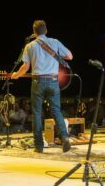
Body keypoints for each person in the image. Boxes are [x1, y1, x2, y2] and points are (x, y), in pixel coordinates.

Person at [11, 20, 73, 153]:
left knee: (37, 113)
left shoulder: (30, 46)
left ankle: (39, 146)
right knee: (56, 111)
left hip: (37, 82)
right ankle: (65, 138)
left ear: (34, 32)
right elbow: (69, 56)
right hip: (53, 81)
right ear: (46, 30)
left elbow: (25, 67)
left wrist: (16, 75)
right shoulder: (55, 42)